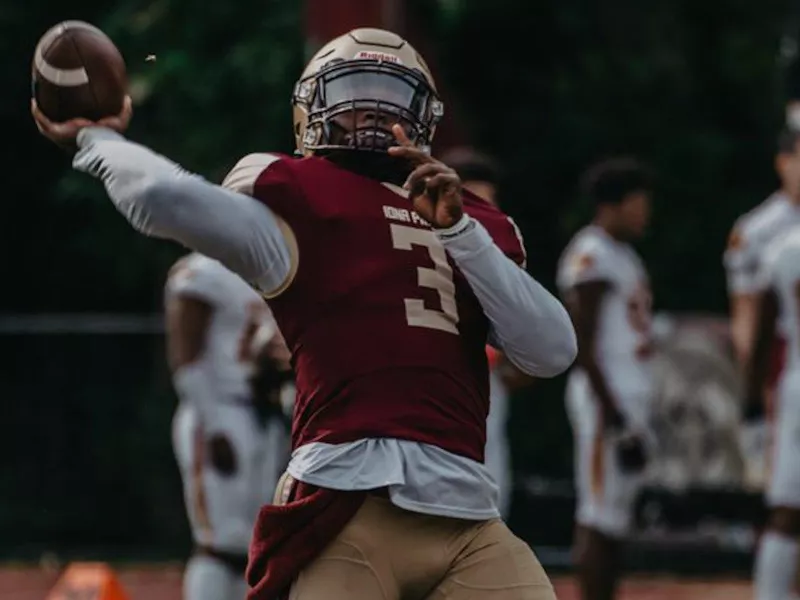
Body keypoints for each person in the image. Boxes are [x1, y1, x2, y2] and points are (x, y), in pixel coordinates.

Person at [32, 27, 576, 600]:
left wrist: (460, 233)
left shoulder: (473, 220)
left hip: (467, 512)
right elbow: (165, 199)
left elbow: (552, 350)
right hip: (349, 504)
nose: (370, 112)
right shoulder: (299, 196)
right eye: (353, 93)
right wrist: (97, 140)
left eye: (388, 97)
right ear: (311, 110)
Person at [165, 252, 293, 600]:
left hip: (260, 411)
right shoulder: (202, 270)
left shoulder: (261, 272)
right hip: (217, 409)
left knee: (252, 540)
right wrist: (213, 424)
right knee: (219, 542)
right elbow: (184, 355)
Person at [556, 158, 654, 600]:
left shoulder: (624, 255)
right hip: (604, 400)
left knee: (615, 515)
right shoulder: (592, 253)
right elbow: (584, 344)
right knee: (597, 514)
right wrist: (613, 415)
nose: (644, 213)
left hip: (625, 398)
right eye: (637, 203)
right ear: (612, 204)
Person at [441, 146, 534, 519]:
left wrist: (518, 359)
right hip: (437, 385)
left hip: (487, 386)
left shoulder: (500, 252)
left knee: (492, 498)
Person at [743, 224, 800, 600]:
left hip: (797, 388)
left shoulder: (784, 246)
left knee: (789, 507)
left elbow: (762, 334)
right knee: (788, 509)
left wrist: (750, 402)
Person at [724, 130, 800, 399]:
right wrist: (755, 373)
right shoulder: (756, 230)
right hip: (782, 353)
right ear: (784, 162)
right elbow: (744, 306)